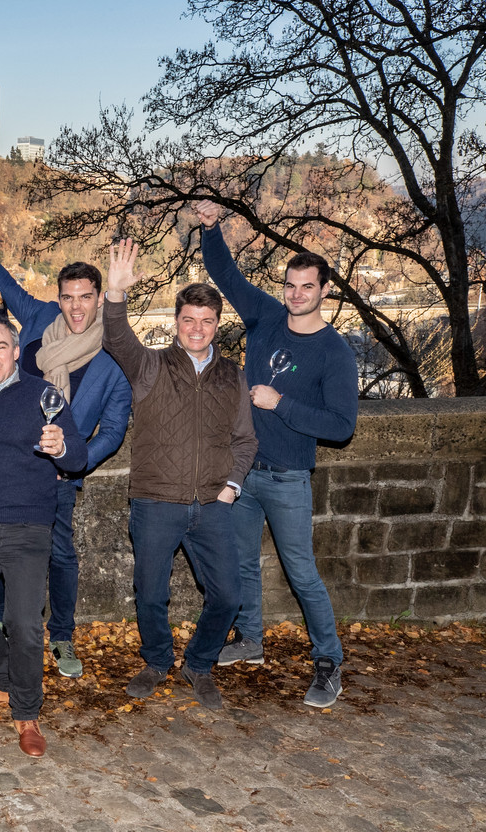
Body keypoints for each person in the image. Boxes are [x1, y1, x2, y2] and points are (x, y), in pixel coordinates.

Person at [0, 208, 132, 678]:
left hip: (59, 469)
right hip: (7, 464)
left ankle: (63, 636)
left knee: (60, 553)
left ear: (98, 300)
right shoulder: (41, 318)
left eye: (86, 298)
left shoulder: (116, 353)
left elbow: (113, 429)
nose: (75, 307)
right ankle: (10, 632)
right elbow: (4, 282)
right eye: (68, 296)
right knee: (3, 553)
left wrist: (76, 460)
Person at [194, 200, 359, 707]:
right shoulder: (266, 316)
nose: (296, 294)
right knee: (241, 561)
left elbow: (341, 426)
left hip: (288, 478)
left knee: (302, 572)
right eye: (290, 285)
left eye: (307, 286)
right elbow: (225, 274)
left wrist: (280, 402)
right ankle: (249, 641)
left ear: (324, 291)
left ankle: (329, 662)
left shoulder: (335, 353)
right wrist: (210, 227)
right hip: (243, 471)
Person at [102, 239, 257, 711]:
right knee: (150, 594)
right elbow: (116, 338)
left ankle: (199, 664)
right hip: (156, 501)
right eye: (189, 319)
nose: (197, 328)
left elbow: (245, 440)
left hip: (212, 504)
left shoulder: (232, 374)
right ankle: (155, 661)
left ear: (216, 325)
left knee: (228, 595)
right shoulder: (150, 366)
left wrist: (231, 488)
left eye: (207, 321)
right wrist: (115, 293)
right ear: (176, 324)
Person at [0, 316, 88, 758]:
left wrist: (60, 447)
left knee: (24, 624)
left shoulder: (42, 395)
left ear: (15, 351)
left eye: (1, 347)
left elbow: (78, 457)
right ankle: (3, 680)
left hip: (29, 526)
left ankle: (26, 713)